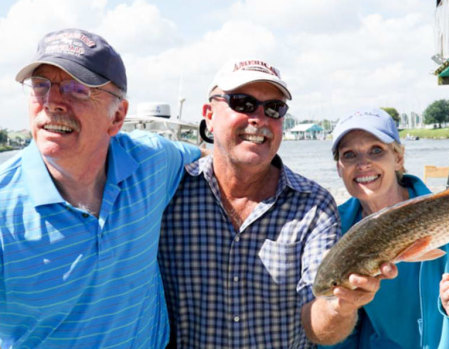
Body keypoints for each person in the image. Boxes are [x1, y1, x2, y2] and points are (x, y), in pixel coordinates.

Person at [158, 59, 397, 348]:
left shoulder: (314, 206)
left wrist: (341, 306)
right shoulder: (168, 191)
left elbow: (319, 327)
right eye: (243, 103)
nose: (259, 118)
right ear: (209, 114)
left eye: (273, 108)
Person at [0, 28, 202, 348]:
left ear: (117, 117)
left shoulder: (151, 161)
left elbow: (211, 157)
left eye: (76, 89)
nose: (52, 102)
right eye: (40, 86)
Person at [321, 108, 449, 348]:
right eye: (349, 155)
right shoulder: (335, 230)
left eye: (376, 150)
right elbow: (340, 333)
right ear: (339, 168)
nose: (363, 164)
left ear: (398, 158)